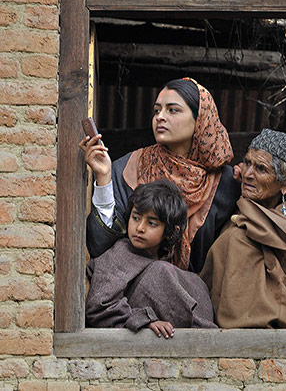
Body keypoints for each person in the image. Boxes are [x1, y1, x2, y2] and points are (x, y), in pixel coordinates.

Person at [80, 78, 239, 271]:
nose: (160, 117)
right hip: (130, 295)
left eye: (173, 110)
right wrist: (104, 178)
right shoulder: (129, 168)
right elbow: (99, 246)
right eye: (157, 110)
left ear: (201, 119)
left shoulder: (225, 183)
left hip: (196, 296)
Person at [200, 128, 286, 329]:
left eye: (261, 169)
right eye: (247, 163)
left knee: (238, 239)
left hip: (284, 325)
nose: (247, 174)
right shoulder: (242, 214)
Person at [86, 179, 217, 337]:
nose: (140, 228)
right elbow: (98, 305)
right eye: (136, 218)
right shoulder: (121, 253)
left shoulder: (164, 259)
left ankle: (206, 333)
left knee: (196, 282)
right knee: (160, 271)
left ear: (169, 231)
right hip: (126, 337)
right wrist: (144, 320)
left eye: (152, 223)